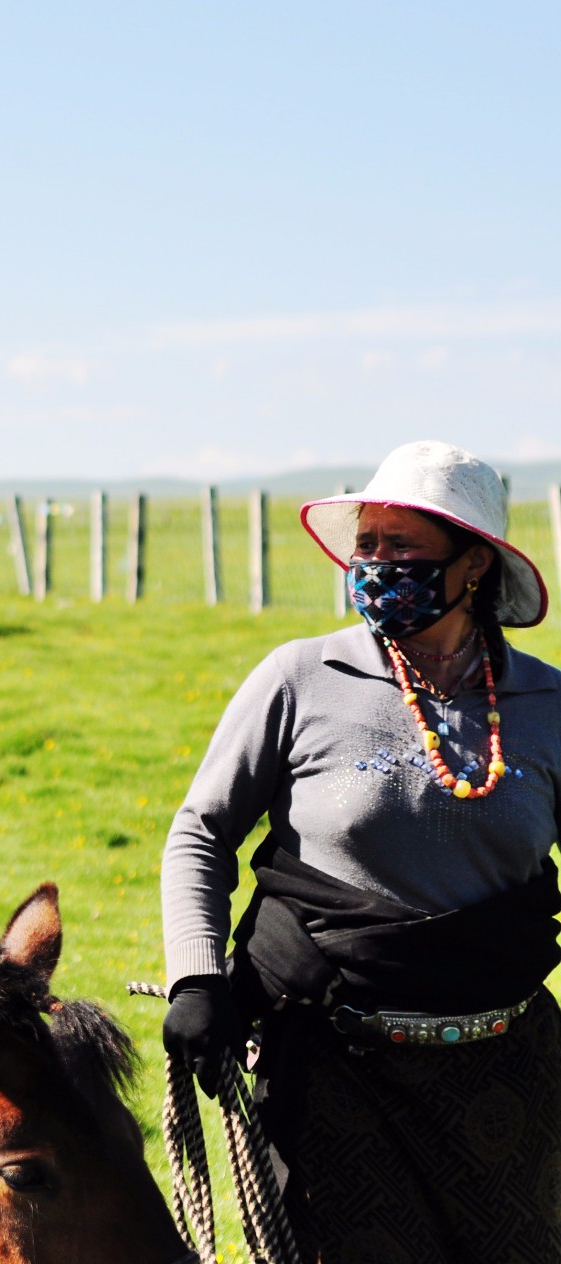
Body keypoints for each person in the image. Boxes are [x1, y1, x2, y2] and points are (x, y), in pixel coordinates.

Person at [160, 441, 561, 1262]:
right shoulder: (299, 678)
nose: (374, 566)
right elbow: (201, 831)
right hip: (332, 1070)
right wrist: (196, 977)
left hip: (506, 1072)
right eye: (365, 547)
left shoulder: (547, 701)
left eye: (401, 547)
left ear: (474, 563)